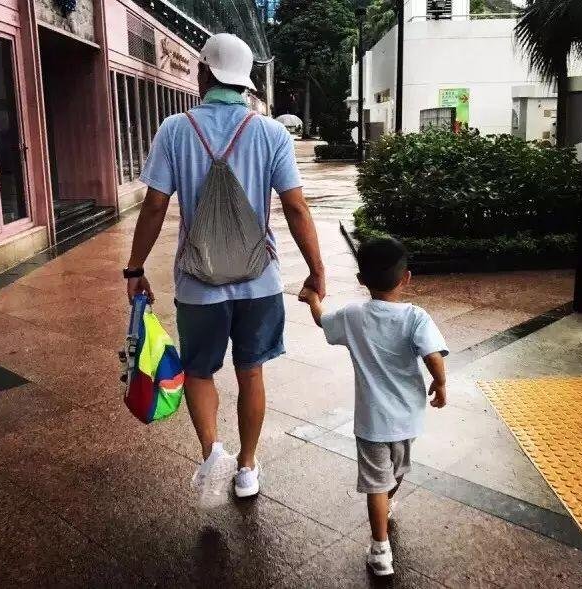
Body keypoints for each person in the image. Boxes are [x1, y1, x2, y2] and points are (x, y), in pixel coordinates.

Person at [124, 33, 325, 500]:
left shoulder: (175, 129)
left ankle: (212, 450)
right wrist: (316, 269)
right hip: (260, 282)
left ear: (204, 74)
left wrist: (135, 268)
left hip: (198, 285)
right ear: (243, 80)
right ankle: (247, 467)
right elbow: (296, 208)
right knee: (251, 371)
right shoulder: (271, 133)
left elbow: (154, 206)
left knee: (199, 371)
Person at [300, 237, 448, 576]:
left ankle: (381, 548)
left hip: (371, 422)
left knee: (377, 482)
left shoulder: (353, 315)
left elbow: (323, 321)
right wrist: (440, 384)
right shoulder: (416, 317)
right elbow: (433, 356)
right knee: (395, 472)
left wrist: (312, 299)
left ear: (361, 280)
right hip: (407, 417)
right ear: (406, 278)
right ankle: (385, 514)